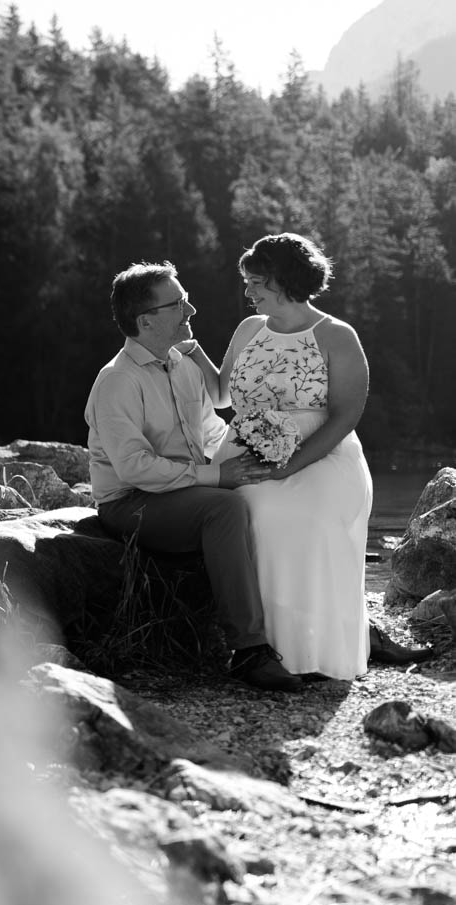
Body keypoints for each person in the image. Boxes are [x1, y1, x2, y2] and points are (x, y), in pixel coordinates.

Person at [178, 232, 391, 680]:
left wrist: (293, 464)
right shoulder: (249, 329)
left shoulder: (336, 336)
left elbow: (345, 415)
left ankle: (314, 653)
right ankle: (260, 649)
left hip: (322, 453)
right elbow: (221, 395)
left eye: (255, 281)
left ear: (282, 279)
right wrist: (193, 349)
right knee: (248, 513)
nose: (248, 291)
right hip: (248, 450)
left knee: (305, 518)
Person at [85, 261, 304, 692]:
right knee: (224, 508)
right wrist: (215, 476)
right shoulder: (116, 382)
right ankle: (248, 651)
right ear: (146, 320)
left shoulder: (182, 367)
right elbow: (135, 468)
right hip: (131, 502)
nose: (191, 310)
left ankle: (301, 634)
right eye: (179, 303)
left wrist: (255, 450)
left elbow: (210, 430)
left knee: (274, 495)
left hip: (178, 492)